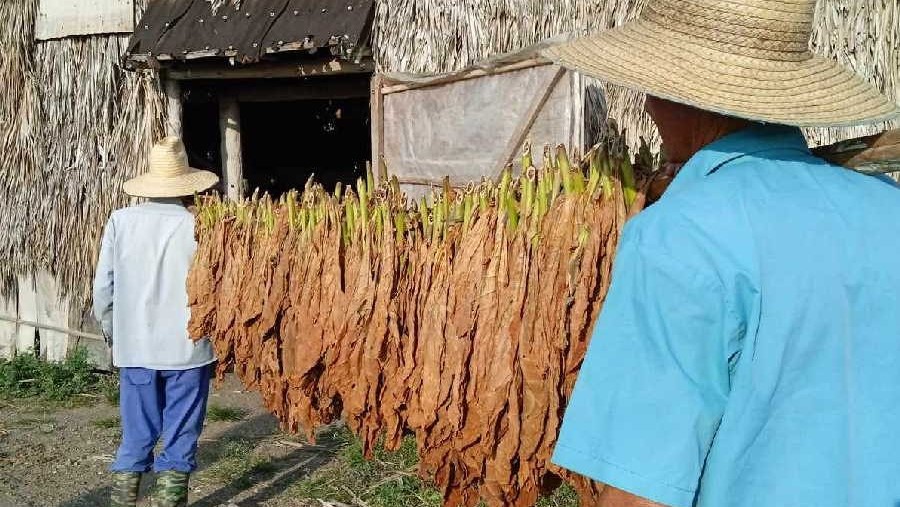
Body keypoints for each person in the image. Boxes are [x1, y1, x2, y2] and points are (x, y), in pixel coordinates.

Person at [542, 0, 900, 506]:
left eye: (653, 87)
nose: (646, 106)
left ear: (687, 98)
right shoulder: (889, 208)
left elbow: (639, 491)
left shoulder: (680, 235)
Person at [93, 137, 220, 507]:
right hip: (189, 348)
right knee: (181, 434)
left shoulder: (121, 221)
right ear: (186, 183)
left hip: (136, 348)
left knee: (136, 433)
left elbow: (104, 286)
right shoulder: (202, 224)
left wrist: (114, 332)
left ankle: (122, 499)